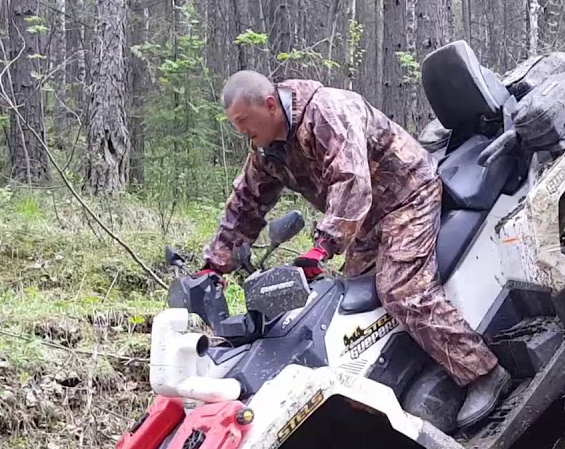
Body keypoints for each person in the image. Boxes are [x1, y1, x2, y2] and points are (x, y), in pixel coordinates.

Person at [198, 70, 512, 429]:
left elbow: (351, 179)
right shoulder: (268, 148)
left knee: (401, 291)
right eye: (234, 124)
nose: (240, 131)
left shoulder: (326, 112)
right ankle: (412, 374)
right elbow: (245, 203)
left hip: (407, 195)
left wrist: (324, 246)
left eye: (242, 121)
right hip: (364, 218)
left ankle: (482, 372)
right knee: (350, 309)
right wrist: (214, 266)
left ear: (269, 105)